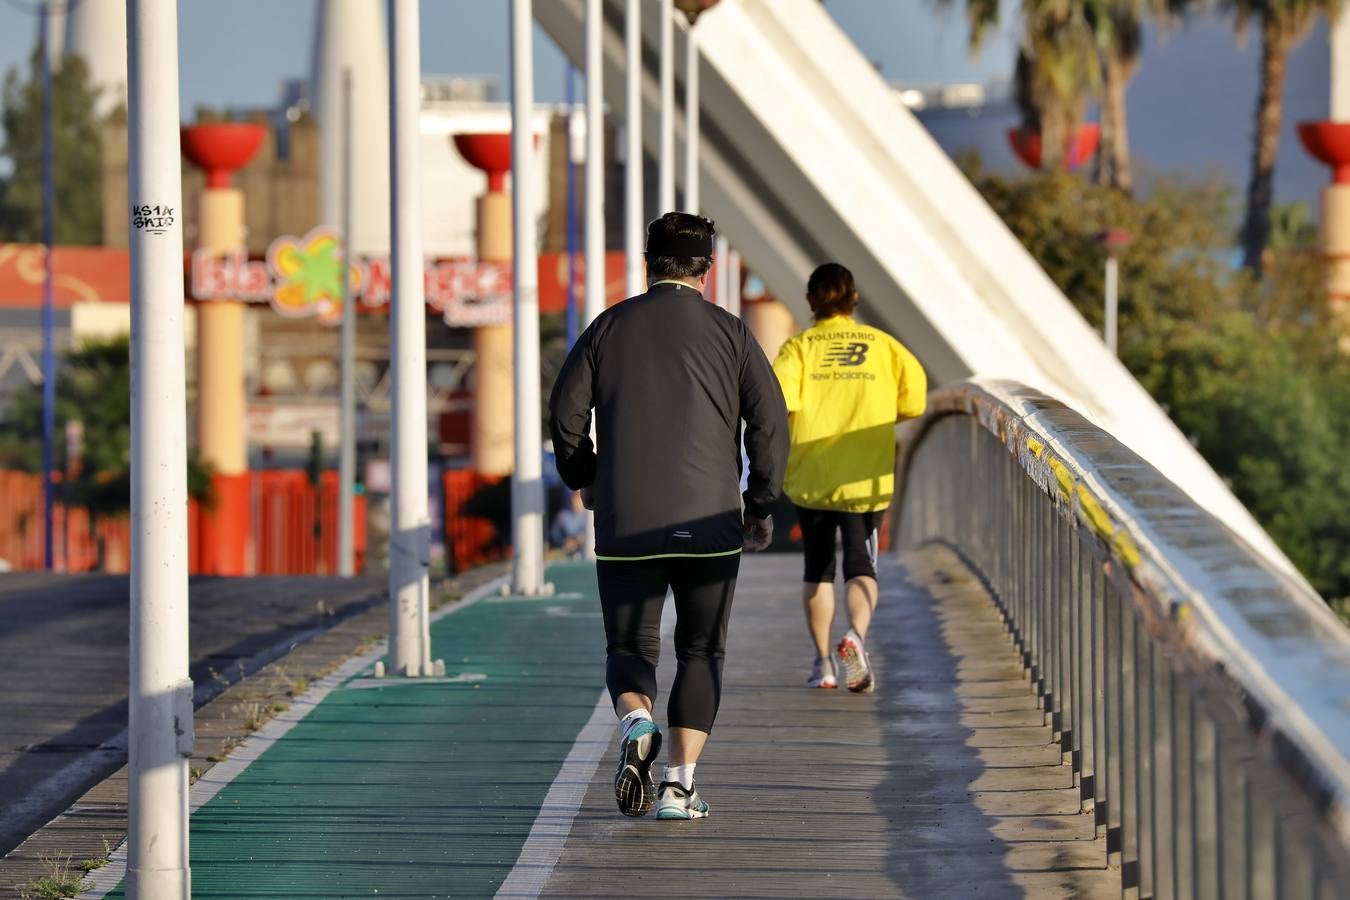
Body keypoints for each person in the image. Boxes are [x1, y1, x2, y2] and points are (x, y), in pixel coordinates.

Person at [548, 212, 788, 821]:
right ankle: (679, 787)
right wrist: (759, 506)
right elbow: (770, 425)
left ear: (648, 259)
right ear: (707, 268)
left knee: (629, 645)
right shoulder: (731, 333)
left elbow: (565, 414)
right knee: (702, 650)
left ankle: (636, 721)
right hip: (709, 520)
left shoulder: (609, 328)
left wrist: (587, 478)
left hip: (628, 519)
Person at [772, 262, 927, 693]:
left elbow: (778, 400)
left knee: (817, 568)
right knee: (862, 565)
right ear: (853, 299)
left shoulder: (799, 349)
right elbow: (914, 400)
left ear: (811, 301)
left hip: (813, 474)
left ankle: (822, 663)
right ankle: (855, 636)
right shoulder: (883, 346)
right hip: (866, 477)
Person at [549, 490, 587, 557]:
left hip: (586, 554)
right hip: (565, 554)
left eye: (578, 498)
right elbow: (554, 535)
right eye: (574, 497)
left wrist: (580, 540)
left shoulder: (589, 517)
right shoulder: (562, 516)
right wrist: (565, 542)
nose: (576, 501)